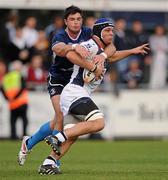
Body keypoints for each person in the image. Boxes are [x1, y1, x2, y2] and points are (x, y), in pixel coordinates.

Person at [43, 18, 149, 174]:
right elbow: (71, 55)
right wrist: (92, 66)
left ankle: (49, 162)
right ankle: (57, 137)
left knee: (74, 134)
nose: (111, 33)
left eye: (112, 31)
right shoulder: (92, 44)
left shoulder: (102, 50)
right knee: (99, 123)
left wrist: (132, 51)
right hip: (75, 92)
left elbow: (112, 56)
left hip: (78, 93)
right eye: (107, 30)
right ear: (98, 32)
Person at [17, 5, 114, 172]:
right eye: (72, 19)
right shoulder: (60, 34)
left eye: (78, 19)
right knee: (61, 117)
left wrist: (103, 55)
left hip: (75, 79)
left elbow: (110, 46)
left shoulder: (87, 32)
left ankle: (30, 142)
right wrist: (75, 47)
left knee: (59, 122)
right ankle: (53, 162)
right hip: (59, 79)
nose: (76, 23)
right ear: (65, 21)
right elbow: (58, 49)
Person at [1, 60, 29, 139]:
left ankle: (13, 136)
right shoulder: (20, 75)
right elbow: (23, 87)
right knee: (24, 120)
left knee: (13, 121)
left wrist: (8, 98)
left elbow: (2, 88)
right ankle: (24, 135)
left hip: (12, 103)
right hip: (22, 101)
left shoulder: (6, 76)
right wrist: (16, 97)